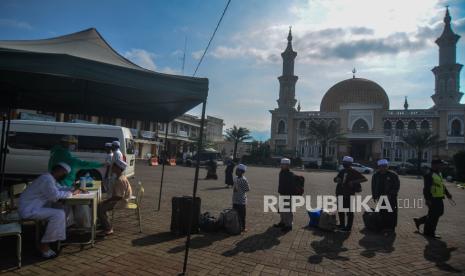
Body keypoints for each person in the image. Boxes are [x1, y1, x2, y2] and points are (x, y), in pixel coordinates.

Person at [18, 163, 82, 258]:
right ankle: (44, 246)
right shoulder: (46, 179)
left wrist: (72, 189)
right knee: (58, 214)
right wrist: (71, 193)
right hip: (29, 209)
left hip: (33, 207)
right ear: (59, 171)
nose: (64, 176)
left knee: (61, 210)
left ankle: (56, 239)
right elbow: (55, 196)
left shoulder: (48, 178)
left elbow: (58, 189)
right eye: (64, 173)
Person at [414, 159, 452, 239]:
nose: (442, 166)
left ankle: (420, 221)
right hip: (432, 198)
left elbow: (441, 185)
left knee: (437, 213)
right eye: (440, 164)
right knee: (434, 216)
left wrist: (447, 194)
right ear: (434, 165)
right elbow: (426, 188)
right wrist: (427, 199)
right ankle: (429, 232)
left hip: (438, 197)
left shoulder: (438, 173)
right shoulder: (429, 174)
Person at [97, 159, 132, 236]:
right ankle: (104, 223)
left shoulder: (120, 180)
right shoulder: (120, 177)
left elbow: (118, 197)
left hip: (121, 201)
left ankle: (108, 228)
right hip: (120, 199)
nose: (112, 168)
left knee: (100, 207)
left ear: (119, 169)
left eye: (114, 167)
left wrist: (106, 201)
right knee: (100, 205)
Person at [333, 156, 367, 232]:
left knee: (349, 211)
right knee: (341, 210)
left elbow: (364, 179)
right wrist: (336, 179)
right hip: (340, 193)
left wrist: (353, 182)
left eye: (346, 163)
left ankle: (348, 227)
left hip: (349, 194)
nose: (344, 164)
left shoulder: (354, 171)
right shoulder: (342, 171)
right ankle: (342, 225)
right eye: (344, 162)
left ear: (350, 164)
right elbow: (335, 179)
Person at [371, 159, 400, 234]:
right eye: (381, 166)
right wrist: (374, 196)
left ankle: (391, 227)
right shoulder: (375, 175)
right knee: (382, 212)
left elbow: (396, 186)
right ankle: (382, 227)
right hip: (380, 197)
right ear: (379, 167)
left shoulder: (393, 175)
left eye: (385, 166)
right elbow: (373, 186)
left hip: (391, 198)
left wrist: (390, 194)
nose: (383, 168)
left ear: (387, 166)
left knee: (392, 213)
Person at [274, 158, 296, 232]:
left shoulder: (290, 174)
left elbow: (292, 186)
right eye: (281, 164)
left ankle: (289, 225)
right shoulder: (281, 172)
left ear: (288, 166)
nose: (282, 165)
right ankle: (282, 222)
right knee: (282, 210)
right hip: (282, 193)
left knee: (288, 211)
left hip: (288, 195)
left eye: (284, 164)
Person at [232, 164, 249, 232]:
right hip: (236, 199)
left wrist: (239, 189)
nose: (236, 171)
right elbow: (247, 189)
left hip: (241, 200)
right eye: (236, 170)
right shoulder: (235, 178)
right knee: (236, 214)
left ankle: (243, 227)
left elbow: (247, 189)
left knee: (242, 215)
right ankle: (237, 226)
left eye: (238, 170)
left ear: (242, 172)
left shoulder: (243, 180)